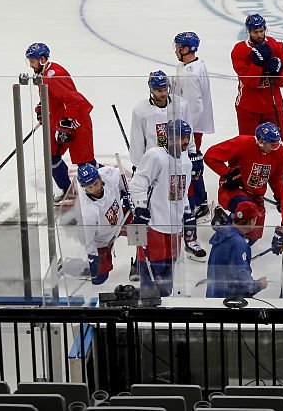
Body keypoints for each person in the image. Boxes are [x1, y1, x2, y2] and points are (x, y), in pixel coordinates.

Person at [128, 70, 205, 261]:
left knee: (185, 201)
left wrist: (193, 153)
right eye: (158, 90)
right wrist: (139, 166)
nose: (162, 93)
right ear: (151, 89)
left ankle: (190, 239)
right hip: (154, 166)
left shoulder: (181, 105)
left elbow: (189, 131)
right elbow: (138, 141)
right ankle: (140, 258)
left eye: (164, 89)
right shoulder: (140, 111)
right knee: (144, 213)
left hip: (179, 160)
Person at [129, 119, 196, 297]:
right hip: (154, 226)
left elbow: (183, 191)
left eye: (187, 137)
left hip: (174, 229)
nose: (185, 141)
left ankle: (165, 310)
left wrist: (188, 212)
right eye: (181, 137)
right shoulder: (155, 156)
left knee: (167, 282)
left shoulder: (186, 161)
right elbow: (137, 183)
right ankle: (146, 310)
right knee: (151, 274)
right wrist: (141, 208)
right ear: (169, 138)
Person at [25, 42, 96, 205]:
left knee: (84, 162)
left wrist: (67, 123)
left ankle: (104, 186)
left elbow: (75, 101)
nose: (30, 65)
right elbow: (53, 98)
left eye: (33, 61)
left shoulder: (54, 75)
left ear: (42, 59)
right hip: (58, 121)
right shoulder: (43, 74)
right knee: (51, 156)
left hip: (77, 121)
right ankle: (67, 190)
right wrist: (42, 107)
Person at [204, 123, 283, 246]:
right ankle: (221, 242)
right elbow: (210, 156)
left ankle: (223, 222)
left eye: (277, 144)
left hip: (256, 196)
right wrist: (228, 174)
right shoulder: (242, 143)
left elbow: (276, 177)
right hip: (235, 190)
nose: (275, 147)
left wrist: (281, 197)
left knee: (254, 233)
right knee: (246, 211)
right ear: (260, 141)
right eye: (272, 144)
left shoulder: (280, 152)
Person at [173, 31, 214, 220]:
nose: (175, 50)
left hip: (190, 128)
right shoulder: (188, 65)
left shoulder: (191, 72)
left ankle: (197, 202)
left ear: (186, 49)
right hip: (188, 126)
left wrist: (186, 134)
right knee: (190, 163)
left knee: (189, 164)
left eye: (177, 46)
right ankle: (198, 201)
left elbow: (194, 106)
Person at [232, 13, 283, 141]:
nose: (259, 35)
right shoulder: (239, 50)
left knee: (279, 143)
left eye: (261, 31)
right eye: (255, 32)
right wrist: (257, 65)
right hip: (248, 107)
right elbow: (249, 82)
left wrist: (277, 72)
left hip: (273, 105)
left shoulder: (276, 46)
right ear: (248, 31)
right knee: (249, 145)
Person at [76, 162, 132, 286]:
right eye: (89, 187)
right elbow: (88, 241)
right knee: (99, 279)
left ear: (100, 178)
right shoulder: (89, 213)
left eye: (96, 183)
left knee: (142, 224)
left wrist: (128, 194)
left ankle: (140, 263)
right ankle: (71, 266)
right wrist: (93, 258)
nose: (94, 189)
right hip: (102, 241)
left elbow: (119, 175)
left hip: (121, 220)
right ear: (84, 188)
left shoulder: (109, 175)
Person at [206, 201, 270, 299]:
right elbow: (242, 284)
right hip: (228, 303)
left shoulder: (222, 234)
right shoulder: (238, 244)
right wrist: (259, 285)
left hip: (214, 298)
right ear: (252, 221)